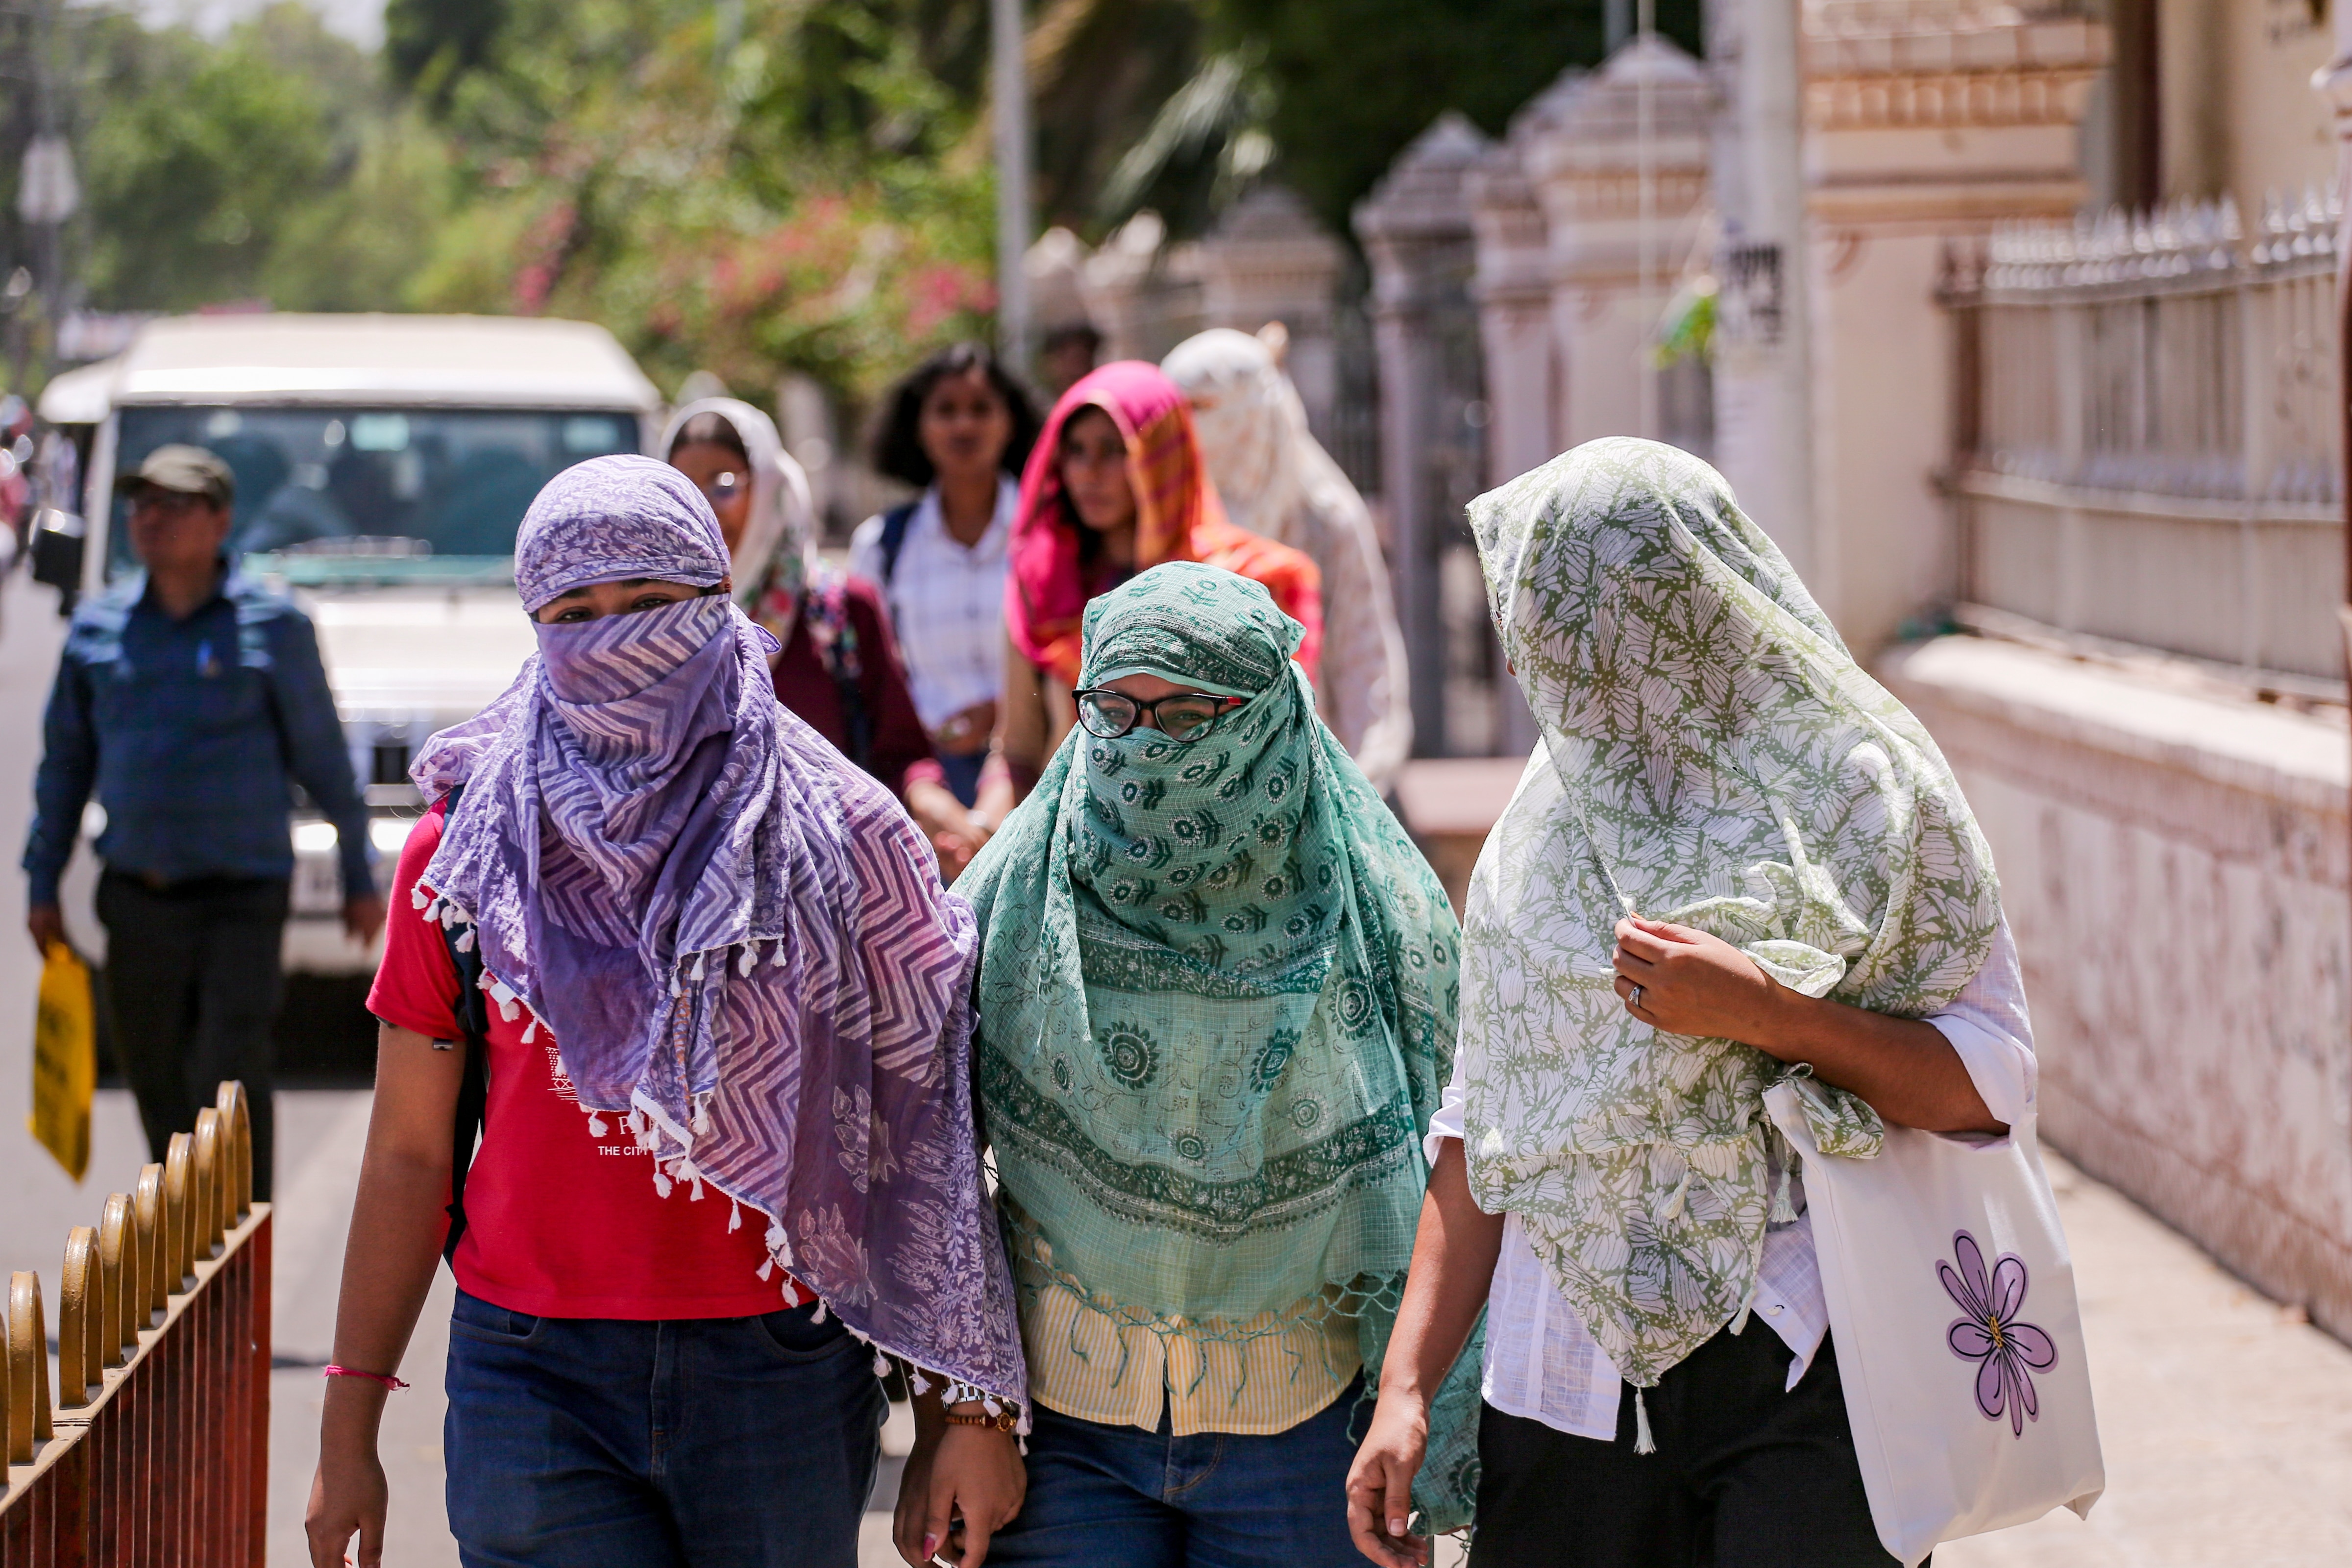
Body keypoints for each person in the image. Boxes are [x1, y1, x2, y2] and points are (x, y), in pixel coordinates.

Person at [304, 456, 1028, 1568]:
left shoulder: (843, 838)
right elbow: (407, 1154)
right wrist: (347, 1428)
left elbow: (918, 1147)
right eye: (575, 615)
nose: (615, 642)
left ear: (716, 601)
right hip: (531, 1379)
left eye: (649, 605)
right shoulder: (465, 857)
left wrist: (953, 1417)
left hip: (776, 1371)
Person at [1346, 439, 2038, 1568]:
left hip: (1809, 1364)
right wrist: (1407, 1388)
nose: (1549, 649)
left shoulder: (1863, 791)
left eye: (1576, 609)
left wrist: (1772, 1016)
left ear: (1682, 595)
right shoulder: (1540, 828)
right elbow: (1483, 1123)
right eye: (1537, 612)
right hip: (1563, 1385)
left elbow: (1985, 1086)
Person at [958, 563, 1474, 1568]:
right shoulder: (1018, 899)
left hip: (1308, 1433)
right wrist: (962, 1414)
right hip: (1063, 1436)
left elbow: (1463, 1164)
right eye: (1115, 708)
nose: (1147, 746)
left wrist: (1408, 1401)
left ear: (1266, 718)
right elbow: (931, 1169)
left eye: (1188, 713)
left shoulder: (1379, 913)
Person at [22, 444, 383, 1201]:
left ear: (220, 521)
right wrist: (43, 881)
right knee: (155, 1077)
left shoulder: (274, 625)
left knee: (230, 1069)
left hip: (241, 897)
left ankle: (244, 1260)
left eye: (174, 504)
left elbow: (323, 761)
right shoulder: (99, 627)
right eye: (140, 504)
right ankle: (182, 1250)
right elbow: (64, 766)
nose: (151, 520)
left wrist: (357, 875)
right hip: (138, 893)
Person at [661, 397, 984, 873]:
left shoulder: (841, 611)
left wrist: (931, 804)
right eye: (684, 490)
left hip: (835, 890)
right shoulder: (652, 623)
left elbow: (900, 753)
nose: (706, 509)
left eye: (725, 484)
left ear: (768, 484)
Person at [994, 362, 1322, 805]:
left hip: (1214, 842)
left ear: (1162, 454)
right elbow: (1018, 752)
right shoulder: (1046, 587)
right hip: (1075, 851)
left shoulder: (1246, 581)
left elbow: (1283, 741)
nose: (1090, 472)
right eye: (1076, 450)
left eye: (1114, 450)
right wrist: (984, 830)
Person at [1161, 326, 1412, 790]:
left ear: (1252, 410)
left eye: (1202, 408)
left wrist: (1360, 785)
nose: (1190, 427)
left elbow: (1363, 656)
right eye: (1177, 411)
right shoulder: (1168, 513)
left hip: (1308, 780)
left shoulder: (1326, 519)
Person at [849, 343, 1042, 811]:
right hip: (927, 791)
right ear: (917, 425)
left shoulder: (1049, 535)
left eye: (980, 409)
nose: (964, 425)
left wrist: (1005, 714)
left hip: (1043, 773)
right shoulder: (882, 547)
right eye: (945, 410)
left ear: (1011, 421)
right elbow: (871, 683)